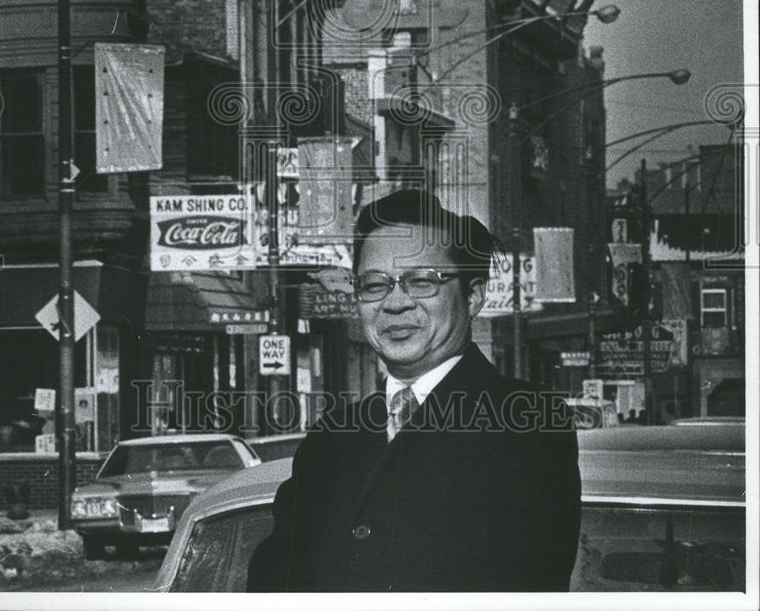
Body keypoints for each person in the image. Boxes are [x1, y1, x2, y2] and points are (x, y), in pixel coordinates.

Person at [247, 189, 581, 592]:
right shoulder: (331, 438)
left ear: (473, 295)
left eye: (421, 281)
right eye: (374, 285)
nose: (396, 303)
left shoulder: (527, 420)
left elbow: (525, 582)